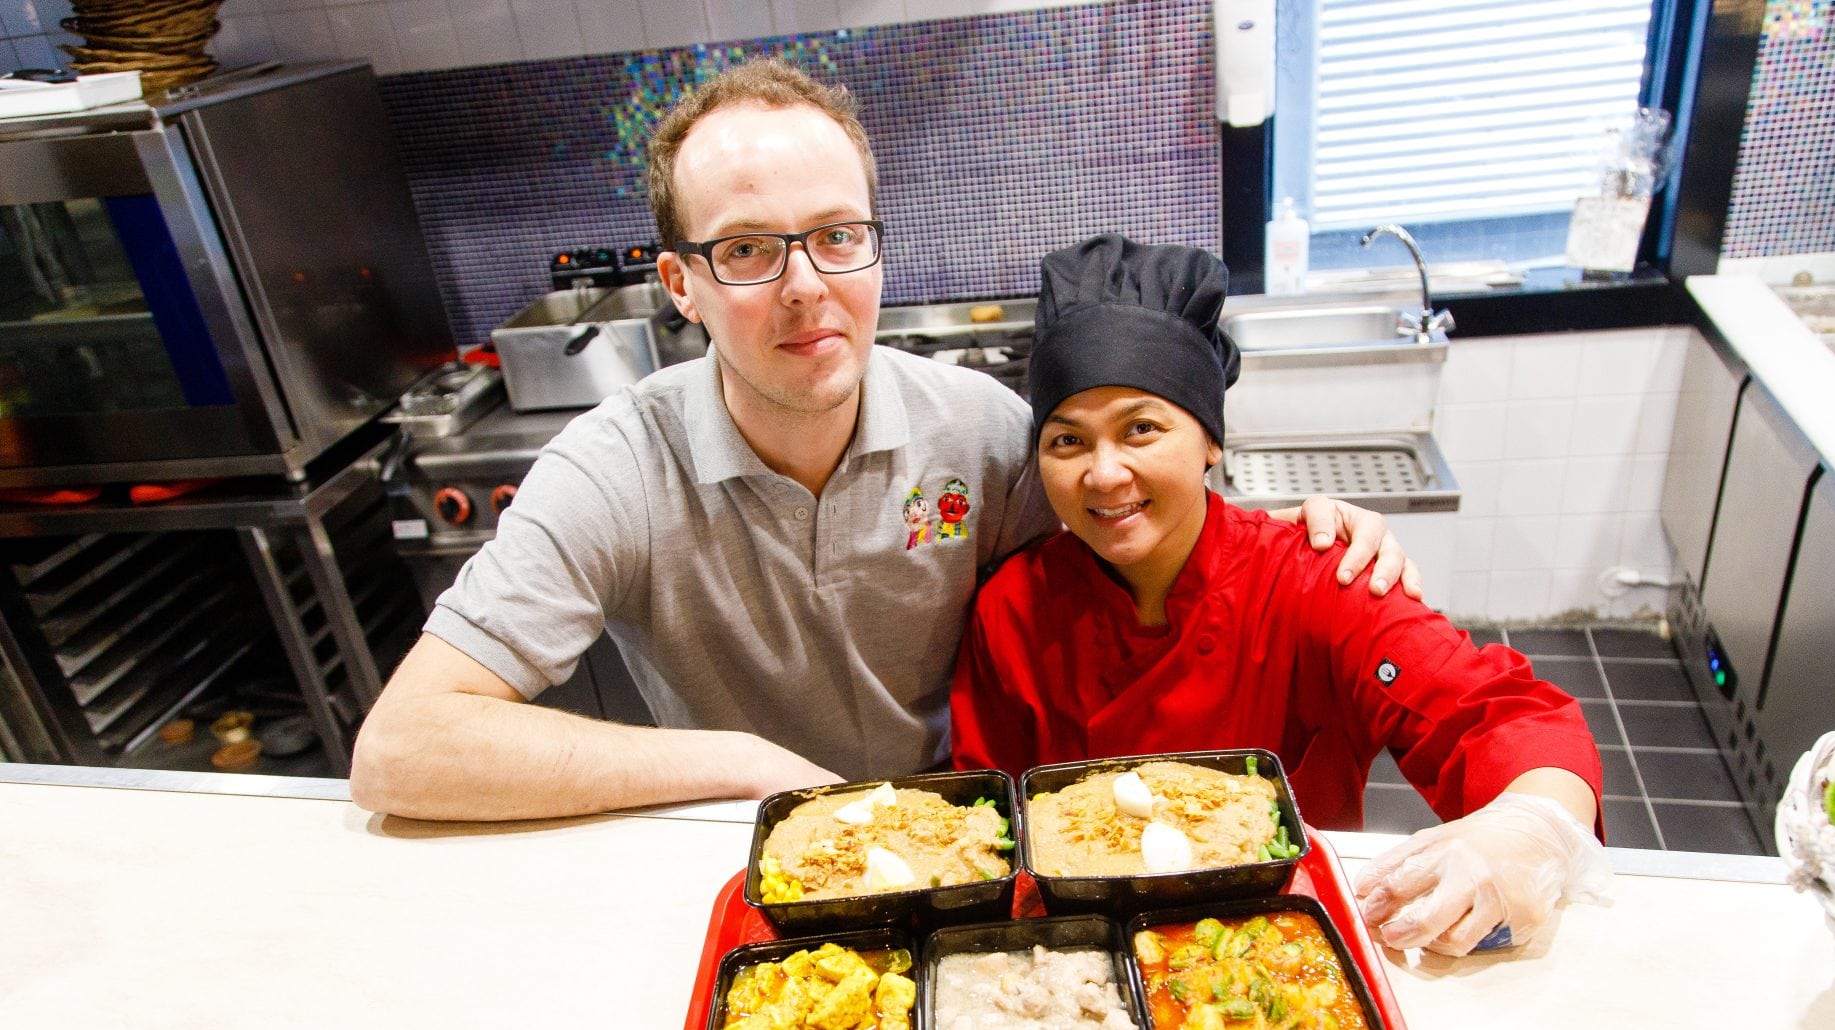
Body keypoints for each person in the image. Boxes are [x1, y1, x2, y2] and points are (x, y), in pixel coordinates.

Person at [348, 62, 1414, 823]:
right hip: (746, 841)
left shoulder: (982, 433)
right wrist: (736, 764)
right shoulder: (618, 467)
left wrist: (1295, 551)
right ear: (682, 287)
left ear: (875, 248)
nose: (808, 286)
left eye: (836, 236)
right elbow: (403, 749)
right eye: (751, 250)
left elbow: (1142, 544)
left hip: (969, 837)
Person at [949, 235, 1607, 957]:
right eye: (1067, 441)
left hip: (1285, 945)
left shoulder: (1316, 579)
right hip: (1087, 957)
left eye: (1142, 428)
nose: (1104, 474)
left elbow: (1498, 716)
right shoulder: (1014, 606)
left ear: (1210, 441)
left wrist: (1530, 828)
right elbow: (995, 825)